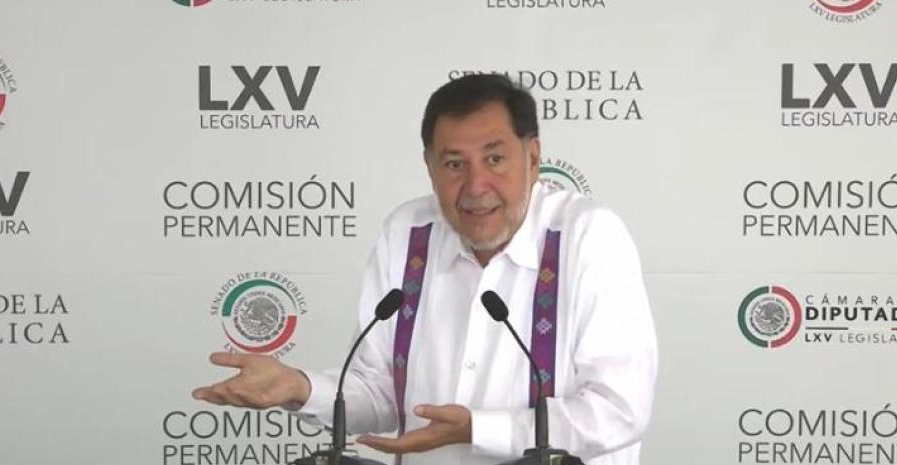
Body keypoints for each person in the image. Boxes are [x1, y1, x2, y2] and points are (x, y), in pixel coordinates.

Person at [193, 74, 658, 465]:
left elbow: (618, 411)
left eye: (495, 159)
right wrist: (300, 387)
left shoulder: (588, 236)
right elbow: (382, 392)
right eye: (454, 164)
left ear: (533, 158)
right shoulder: (407, 233)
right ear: (430, 166)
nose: (476, 185)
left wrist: (477, 429)